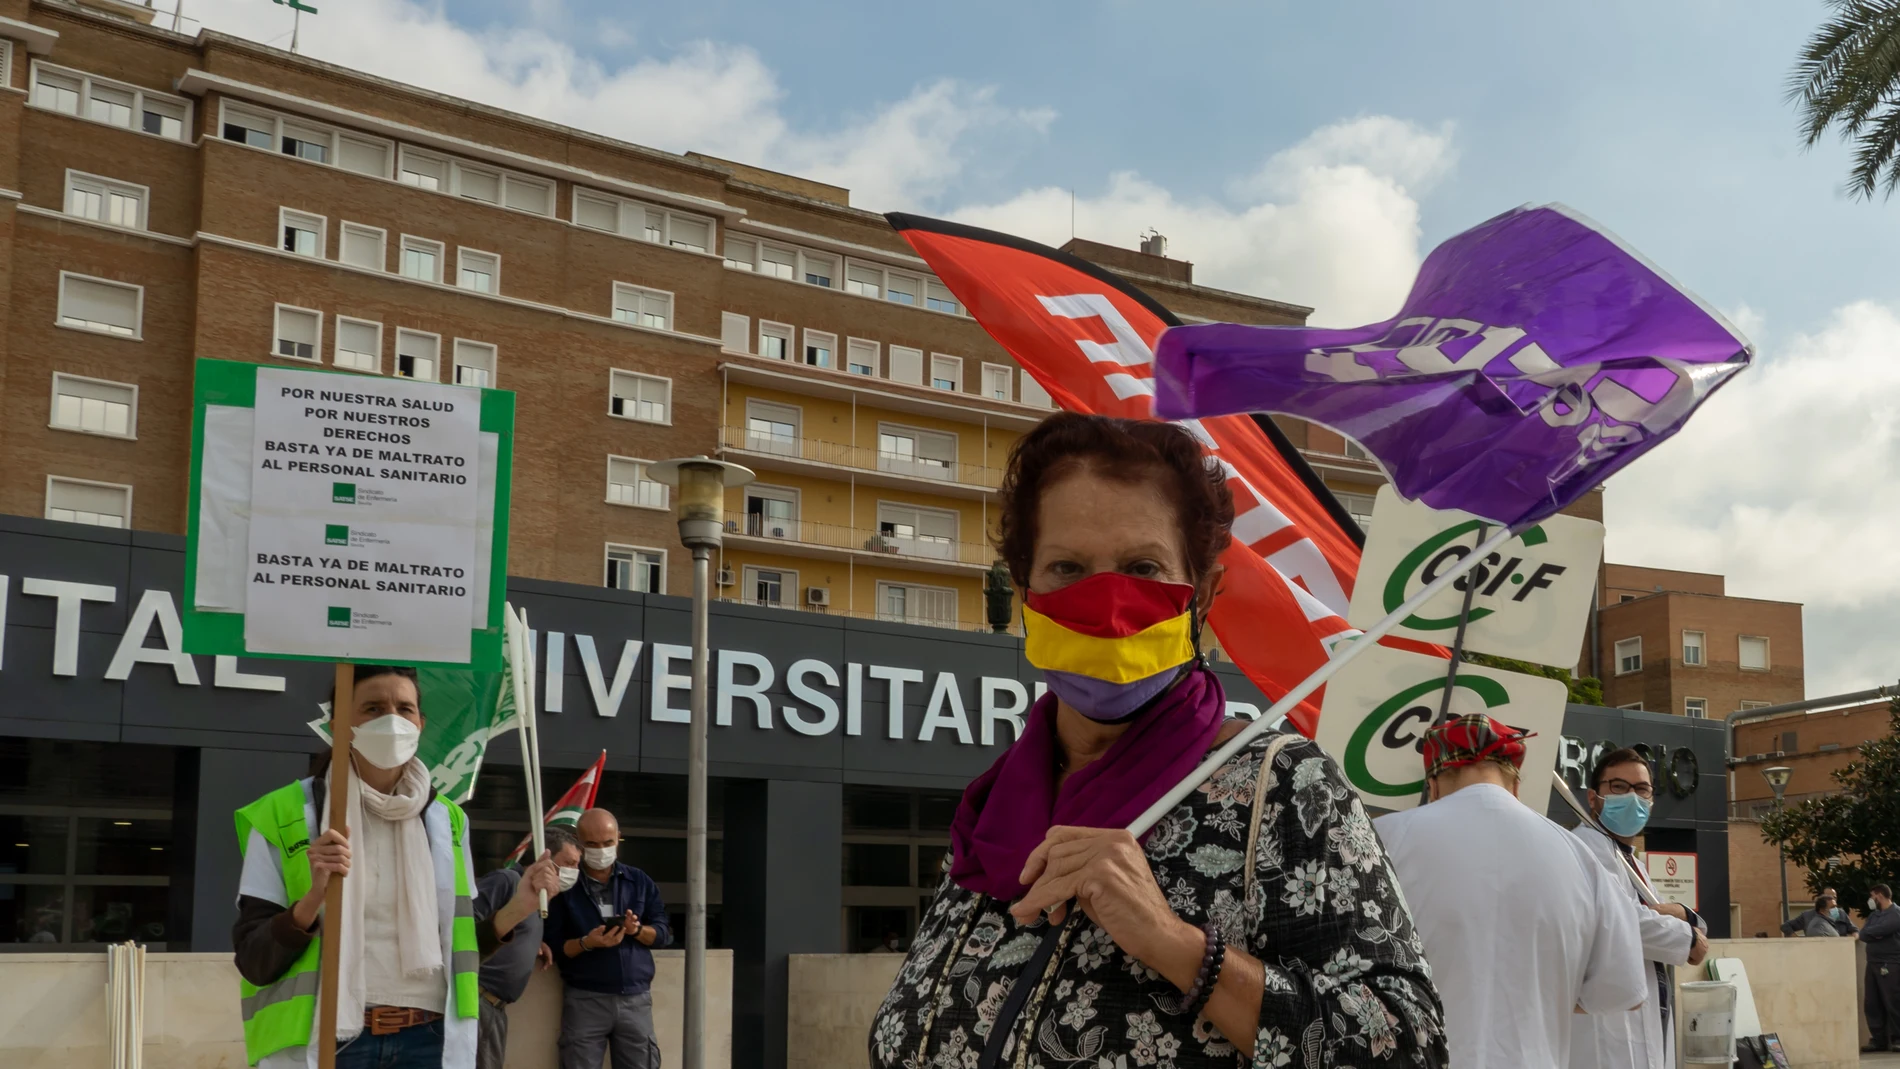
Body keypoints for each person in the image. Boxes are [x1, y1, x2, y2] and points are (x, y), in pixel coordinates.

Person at [868, 414, 1446, 1068]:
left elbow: (1409, 1044)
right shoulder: (994, 813)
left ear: (1202, 591)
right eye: (1067, 566)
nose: (1109, 606)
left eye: (1144, 566)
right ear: (1025, 589)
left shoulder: (1284, 791)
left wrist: (1177, 945)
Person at [231, 664, 562, 1069]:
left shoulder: (448, 820)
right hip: (330, 1041)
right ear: (338, 725)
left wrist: (520, 907)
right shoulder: (284, 813)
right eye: (372, 708)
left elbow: (458, 945)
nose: (391, 720)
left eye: (404, 709)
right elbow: (253, 959)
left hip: (429, 1039)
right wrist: (312, 899)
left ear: (421, 723)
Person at [1376, 715, 1646, 1069]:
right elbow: (1623, 990)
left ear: (1434, 785)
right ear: (1515, 785)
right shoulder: (1582, 856)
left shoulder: (1378, 840)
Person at [1566, 747, 1710, 1069]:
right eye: (1618, 787)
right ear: (1593, 798)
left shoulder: (1631, 862)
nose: (1632, 797)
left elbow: (1654, 913)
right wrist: (1687, 938)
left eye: (1642, 789)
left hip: (1643, 1021)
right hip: (1606, 1033)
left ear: (1651, 800)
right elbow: (1623, 919)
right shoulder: (1586, 849)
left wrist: (1685, 916)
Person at [543, 807, 671, 1069]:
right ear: (579, 843)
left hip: (635, 999)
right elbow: (553, 945)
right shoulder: (566, 884)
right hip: (584, 999)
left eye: (608, 843)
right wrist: (587, 943)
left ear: (618, 839)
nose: (601, 850)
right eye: (592, 844)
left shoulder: (639, 881)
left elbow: (663, 934)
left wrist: (636, 930)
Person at [475, 824, 584, 1069]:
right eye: (568, 862)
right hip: (477, 998)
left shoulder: (540, 899)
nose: (573, 871)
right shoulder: (506, 880)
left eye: (577, 865)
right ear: (544, 857)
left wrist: (535, 942)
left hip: (496, 1008)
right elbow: (468, 923)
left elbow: (513, 925)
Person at [1862, 883, 1900, 1053]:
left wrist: (1873, 933)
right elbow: (1864, 934)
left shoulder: (1896, 914)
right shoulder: (1874, 915)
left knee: (1892, 1001)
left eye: (1872, 896)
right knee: (1872, 1002)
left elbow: (1885, 929)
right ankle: (1878, 1040)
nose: (1871, 900)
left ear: (1880, 895)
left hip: (1890, 963)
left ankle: (1897, 1038)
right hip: (1872, 962)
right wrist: (1874, 934)